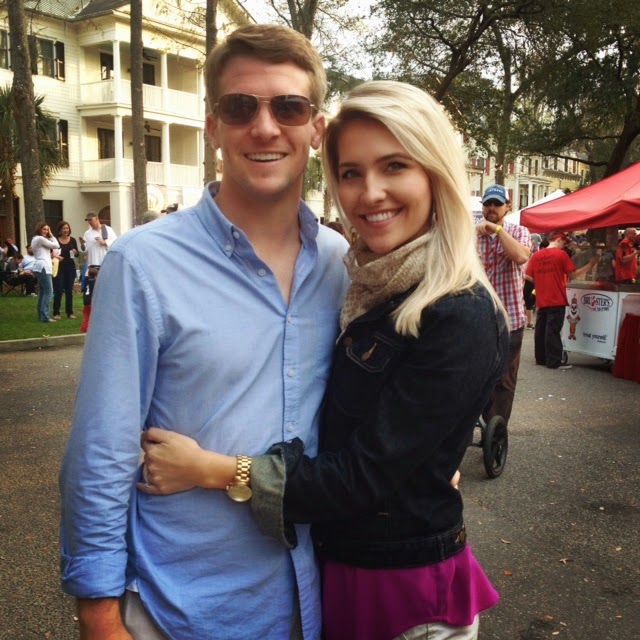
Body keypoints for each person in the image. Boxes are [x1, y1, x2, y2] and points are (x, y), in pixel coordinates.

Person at [138, 81, 509, 640]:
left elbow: (359, 476)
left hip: (405, 592)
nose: (370, 193)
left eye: (395, 166)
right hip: (341, 569)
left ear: (435, 173)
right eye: (351, 173)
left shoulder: (458, 311)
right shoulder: (370, 283)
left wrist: (211, 469)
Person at [59, 24, 348, 640]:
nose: (265, 127)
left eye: (289, 107)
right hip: (178, 608)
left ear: (316, 128)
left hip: (309, 604)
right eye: (240, 107)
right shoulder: (143, 264)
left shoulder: (342, 265)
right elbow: (103, 450)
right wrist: (99, 613)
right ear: (214, 126)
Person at [476, 184, 530, 426]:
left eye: (497, 204)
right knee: (475, 373)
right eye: (488, 203)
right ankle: (475, 423)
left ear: (508, 207)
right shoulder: (471, 234)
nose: (492, 208)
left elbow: (520, 256)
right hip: (477, 318)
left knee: (504, 379)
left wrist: (497, 230)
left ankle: (496, 430)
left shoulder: (519, 231)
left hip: (511, 319)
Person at [525, 230, 598, 369]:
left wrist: (540, 282)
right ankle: (554, 361)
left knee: (541, 329)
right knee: (553, 330)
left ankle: (541, 358)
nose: (564, 245)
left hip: (542, 297)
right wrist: (590, 265)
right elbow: (573, 275)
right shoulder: (561, 254)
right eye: (564, 242)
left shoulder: (536, 255)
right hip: (556, 298)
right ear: (558, 239)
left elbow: (527, 275)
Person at [30, 223, 60, 323]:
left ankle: (41, 315)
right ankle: (45, 317)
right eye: (44, 229)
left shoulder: (36, 239)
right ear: (39, 229)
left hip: (40, 267)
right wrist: (51, 235)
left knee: (43, 292)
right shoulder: (40, 239)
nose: (46, 231)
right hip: (43, 267)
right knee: (49, 292)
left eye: (47, 230)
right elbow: (56, 245)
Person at [52, 221, 79, 320]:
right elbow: (51, 253)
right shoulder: (55, 240)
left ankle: (69, 312)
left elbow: (77, 255)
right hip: (59, 267)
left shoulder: (73, 240)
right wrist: (57, 256)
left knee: (69, 290)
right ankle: (56, 312)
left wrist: (75, 252)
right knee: (59, 290)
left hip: (70, 267)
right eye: (63, 228)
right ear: (60, 230)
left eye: (67, 228)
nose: (65, 230)